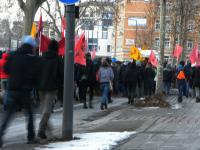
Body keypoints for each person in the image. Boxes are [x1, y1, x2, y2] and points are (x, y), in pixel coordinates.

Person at [0, 36, 40, 148]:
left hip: (12, 89)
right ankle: (31, 137)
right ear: (32, 47)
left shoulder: (13, 55)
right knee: (30, 114)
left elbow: (6, 69)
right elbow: (36, 75)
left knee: (8, 115)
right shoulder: (33, 59)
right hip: (25, 91)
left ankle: (0, 135)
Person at [37, 39, 63, 141]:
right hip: (51, 87)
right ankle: (41, 129)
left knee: (44, 109)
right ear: (56, 49)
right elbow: (62, 74)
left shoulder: (41, 58)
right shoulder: (58, 59)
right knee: (47, 110)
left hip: (40, 87)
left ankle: (47, 131)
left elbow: (36, 72)